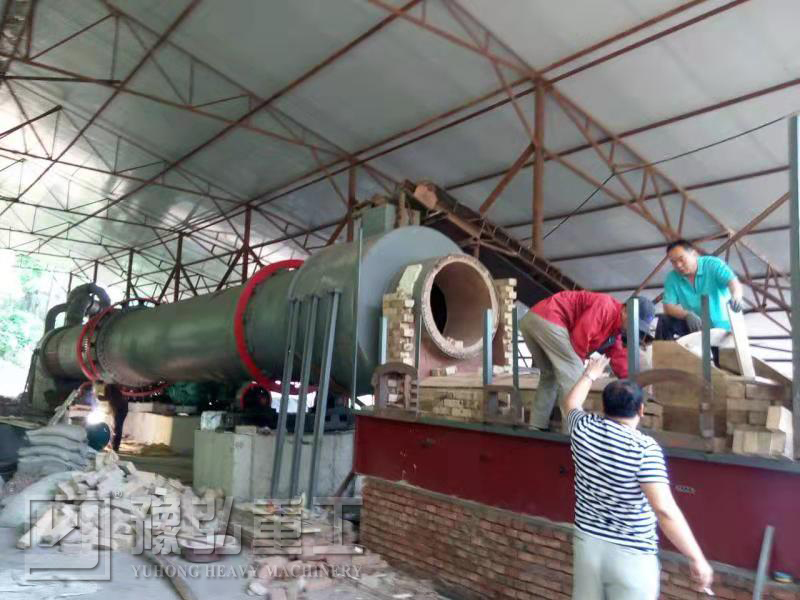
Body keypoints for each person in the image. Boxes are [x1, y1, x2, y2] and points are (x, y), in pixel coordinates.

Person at [563, 356, 714, 599]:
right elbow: (664, 511)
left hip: (587, 547)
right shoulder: (644, 449)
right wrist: (696, 557)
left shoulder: (583, 428)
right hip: (630, 556)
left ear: (603, 407)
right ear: (641, 410)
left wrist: (590, 374)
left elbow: (571, 402)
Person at [519, 291, 655, 431]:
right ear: (625, 310)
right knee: (575, 378)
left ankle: (537, 426)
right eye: (634, 322)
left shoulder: (615, 331)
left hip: (532, 320)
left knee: (549, 376)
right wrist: (580, 369)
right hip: (549, 319)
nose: (633, 328)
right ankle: (573, 434)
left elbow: (617, 357)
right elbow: (581, 336)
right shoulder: (605, 306)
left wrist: (633, 384)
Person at [657, 239, 744, 340]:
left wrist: (736, 297)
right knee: (665, 320)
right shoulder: (672, 278)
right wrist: (687, 315)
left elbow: (733, 282)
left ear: (694, 254)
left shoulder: (712, 264)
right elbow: (668, 306)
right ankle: (662, 350)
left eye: (681, 259)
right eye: (673, 262)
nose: (678, 265)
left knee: (721, 347)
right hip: (696, 327)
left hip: (723, 330)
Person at [105, 384, 129, 452]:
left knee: (118, 427)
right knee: (117, 427)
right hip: (121, 408)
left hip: (120, 409)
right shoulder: (114, 390)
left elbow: (105, 398)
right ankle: (115, 445)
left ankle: (115, 446)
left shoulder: (111, 390)